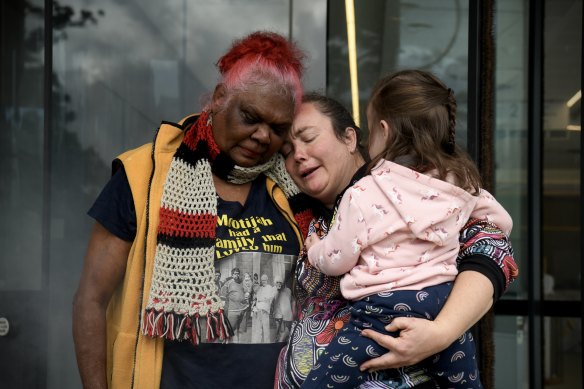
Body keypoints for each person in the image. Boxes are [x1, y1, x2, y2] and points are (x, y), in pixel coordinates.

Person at [72, 31, 314, 389]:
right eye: (251, 117)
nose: (263, 136)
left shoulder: (295, 190)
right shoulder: (142, 177)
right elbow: (90, 300)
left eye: (277, 128)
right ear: (219, 99)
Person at [275, 91, 518, 388]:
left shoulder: (416, 191)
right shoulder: (298, 214)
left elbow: (490, 249)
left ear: (350, 139)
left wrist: (440, 333)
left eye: (308, 137)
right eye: (286, 150)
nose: (297, 154)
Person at [220, 267, 247, 341]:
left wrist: (247, 296)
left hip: (243, 309)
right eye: (235, 274)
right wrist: (223, 307)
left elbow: (246, 292)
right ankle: (225, 344)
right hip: (233, 310)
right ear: (232, 275)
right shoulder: (228, 283)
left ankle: (238, 346)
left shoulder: (242, 283)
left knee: (241, 330)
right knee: (230, 329)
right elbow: (222, 295)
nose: (237, 275)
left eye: (238, 274)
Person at [252, 274, 277, 343]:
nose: (263, 281)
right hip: (258, 310)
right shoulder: (260, 288)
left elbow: (269, 297)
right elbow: (257, 298)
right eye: (262, 280)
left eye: (264, 280)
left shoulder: (269, 288)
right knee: (258, 329)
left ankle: (267, 343)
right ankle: (258, 343)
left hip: (265, 310)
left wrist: (263, 299)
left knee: (266, 329)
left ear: (267, 280)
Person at [273, 277, 294, 342]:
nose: (279, 284)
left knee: (284, 331)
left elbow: (290, 302)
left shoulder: (288, 291)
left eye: (280, 283)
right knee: (279, 330)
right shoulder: (274, 291)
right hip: (278, 314)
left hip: (286, 315)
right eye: (277, 283)